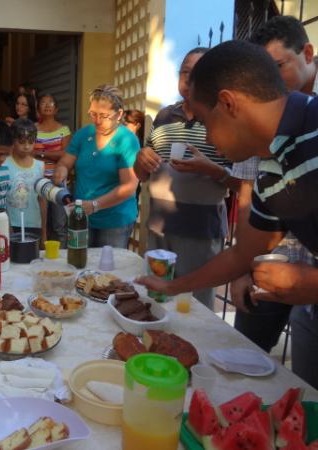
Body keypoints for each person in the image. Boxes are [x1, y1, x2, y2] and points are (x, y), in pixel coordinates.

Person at [135, 40, 318, 388]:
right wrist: (173, 286)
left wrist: (308, 284)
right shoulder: (268, 168)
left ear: (228, 103)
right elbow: (242, 253)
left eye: (204, 121)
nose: (204, 135)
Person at [230, 16, 318, 352]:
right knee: (246, 355)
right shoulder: (263, 117)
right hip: (272, 259)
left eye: (279, 67)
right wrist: (242, 268)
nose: (271, 85)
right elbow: (246, 192)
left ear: (307, 53)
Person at [133, 48, 238, 310]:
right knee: (155, 303)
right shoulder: (164, 116)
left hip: (200, 234)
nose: (189, 80)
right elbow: (141, 174)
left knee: (194, 309)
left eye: (198, 73)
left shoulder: (225, 118)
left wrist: (212, 169)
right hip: (159, 230)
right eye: (185, 72)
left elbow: (243, 185)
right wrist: (140, 159)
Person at [54, 84, 139, 248]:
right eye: (93, 114)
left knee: (106, 270)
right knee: (78, 263)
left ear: (119, 114)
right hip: (81, 217)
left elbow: (129, 186)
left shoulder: (127, 140)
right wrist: (62, 169)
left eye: (104, 116)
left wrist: (95, 205)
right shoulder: (84, 134)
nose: (97, 121)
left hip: (114, 220)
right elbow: (65, 161)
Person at [35, 93, 71, 246]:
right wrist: (53, 155)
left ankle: (61, 257)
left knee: (59, 223)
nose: (47, 105)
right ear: (38, 108)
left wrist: (41, 153)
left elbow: (66, 154)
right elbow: (27, 152)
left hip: (58, 180)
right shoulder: (33, 129)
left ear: (56, 109)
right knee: (39, 223)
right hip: (37, 180)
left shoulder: (64, 129)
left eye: (51, 103)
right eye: (43, 102)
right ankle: (40, 254)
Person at [5, 119, 47, 241]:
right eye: (22, 142)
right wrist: (7, 225)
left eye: (31, 142)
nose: (27, 146)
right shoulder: (4, 164)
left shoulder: (40, 166)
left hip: (34, 223)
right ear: (13, 140)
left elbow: (42, 200)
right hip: (12, 224)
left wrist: (44, 231)